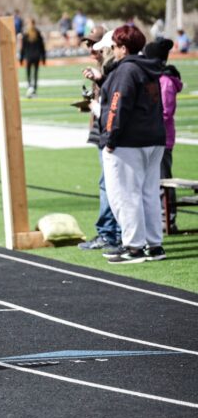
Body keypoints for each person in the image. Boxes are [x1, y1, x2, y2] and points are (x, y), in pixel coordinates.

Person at [96, 25, 166, 264]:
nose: (113, 51)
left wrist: (110, 137)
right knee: (149, 194)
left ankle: (134, 247)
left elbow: (117, 105)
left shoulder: (126, 70)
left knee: (125, 195)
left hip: (129, 141)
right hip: (154, 138)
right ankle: (154, 245)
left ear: (123, 48)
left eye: (114, 47)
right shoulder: (149, 68)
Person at [78, 26, 121, 251]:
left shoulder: (110, 67)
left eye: (95, 45)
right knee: (107, 184)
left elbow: (113, 102)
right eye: (89, 45)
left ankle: (112, 234)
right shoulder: (101, 67)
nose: (92, 49)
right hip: (100, 129)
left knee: (110, 184)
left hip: (109, 131)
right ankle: (112, 232)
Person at [143, 37, 183, 233]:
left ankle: (168, 219)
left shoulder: (165, 81)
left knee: (164, 180)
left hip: (162, 138)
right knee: (154, 181)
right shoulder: (157, 78)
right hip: (153, 136)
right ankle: (159, 218)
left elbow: (165, 112)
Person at [19, 18, 46, 97]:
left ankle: (29, 88)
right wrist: (43, 58)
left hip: (29, 57)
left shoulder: (26, 34)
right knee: (35, 74)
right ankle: (34, 89)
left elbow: (23, 48)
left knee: (28, 73)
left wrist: (21, 58)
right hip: (36, 56)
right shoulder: (37, 33)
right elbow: (42, 47)